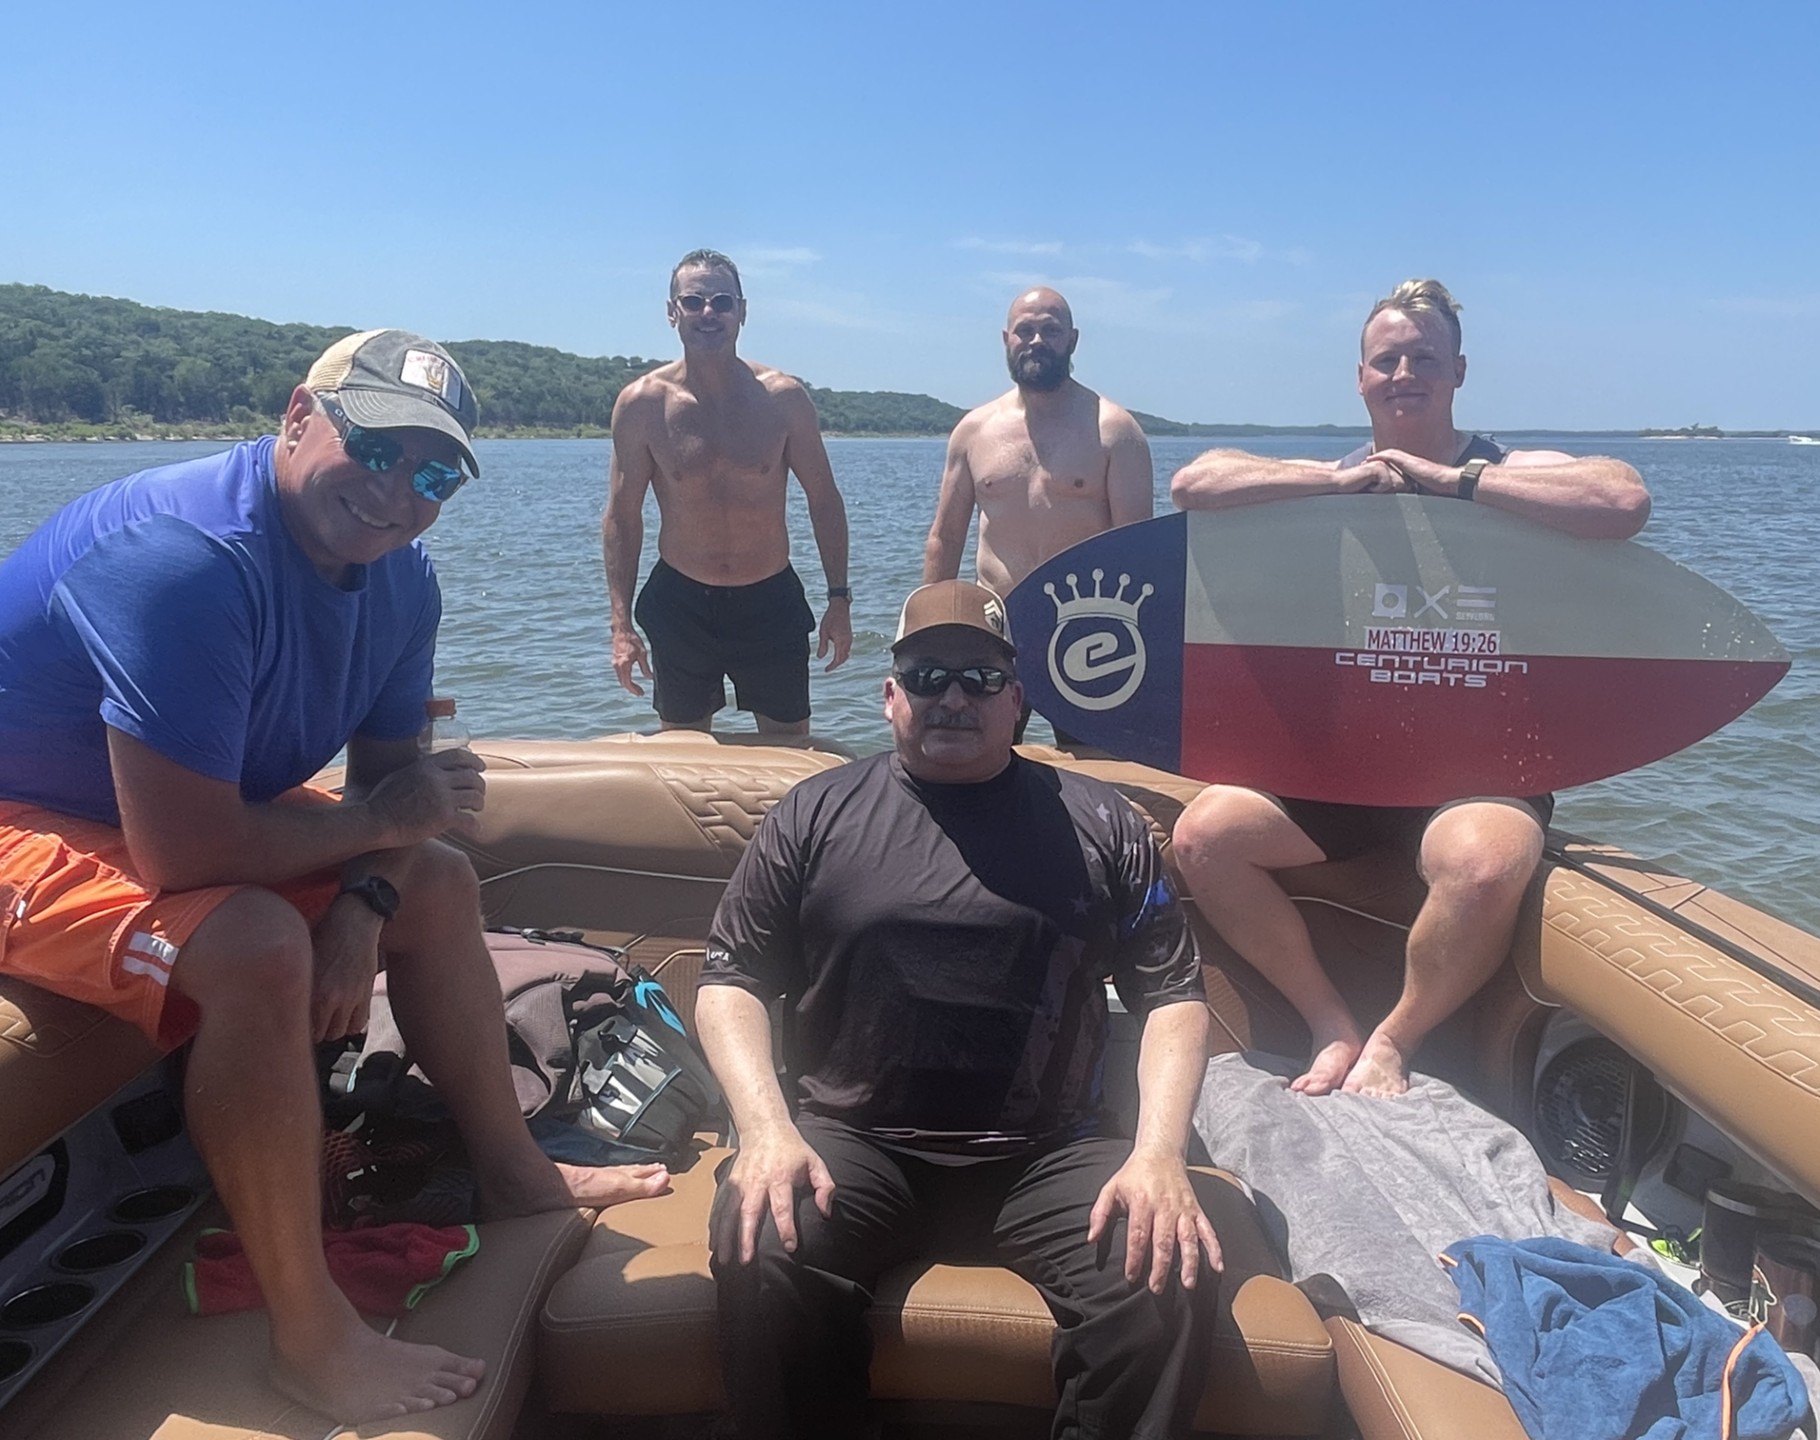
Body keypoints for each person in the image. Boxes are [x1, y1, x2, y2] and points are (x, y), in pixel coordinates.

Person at [0, 330, 670, 1425]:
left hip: (160, 812)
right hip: (25, 816)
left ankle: (516, 1174)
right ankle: (310, 1337)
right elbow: (187, 855)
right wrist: (371, 837)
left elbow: (397, 808)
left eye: (438, 473)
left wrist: (366, 904)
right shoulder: (184, 557)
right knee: (256, 939)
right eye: (378, 446)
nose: (400, 491)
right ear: (298, 416)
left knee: (438, 882)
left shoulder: (400, 582)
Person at [697, 579, 1225, 1438]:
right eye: (929, 674)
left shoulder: (1103, 823)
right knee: (761, 1244)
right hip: (854, 1143)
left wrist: (1160, 1154)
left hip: (1049, 1153)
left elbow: (1172, 997)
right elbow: (732, 981)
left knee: (1163, 1275)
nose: (953, 697)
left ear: (1016, 701)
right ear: (891, 694)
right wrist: (764, 1131)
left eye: (980, 680)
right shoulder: (813, 814)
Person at [1167, 279, 1651, 1098]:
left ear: (1458, 370)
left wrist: (1452, 483)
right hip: (1344, 776)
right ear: (1360, 378)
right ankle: (1330, 1023)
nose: (1404, 373)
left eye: (1423, 357)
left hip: (1478, 771)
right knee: (1204, 838)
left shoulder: (1506, 469)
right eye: (1385, 360)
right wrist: (1331, 481)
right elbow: (1194, 484)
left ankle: (1395, 1040)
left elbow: (1621, 498)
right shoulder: (1336, 477)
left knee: (1486, 867)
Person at [603, 248, 853, 736]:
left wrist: (839, 600)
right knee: (684, 752)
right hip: (681, 601)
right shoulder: (642, 405)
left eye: (722, 301)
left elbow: (824, 499)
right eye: (693, 302)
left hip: (769, 598)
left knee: (787, 750)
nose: (708, 313)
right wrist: (620, 625)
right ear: (672, 311)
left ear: (742, 311)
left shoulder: (783, 399)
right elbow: (621, 516)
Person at [921, 287, 1155, 744]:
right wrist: (928, 633)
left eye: (1050, 330)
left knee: (1096, 764)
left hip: (1089, 631)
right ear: (1007, 339)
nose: (1036, 340)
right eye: (1025, 331)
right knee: (976, 759)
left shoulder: (1114, 430)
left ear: (1072, 340)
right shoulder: (974, 431)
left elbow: (1136, 551)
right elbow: (945, 539)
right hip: (996, 629)